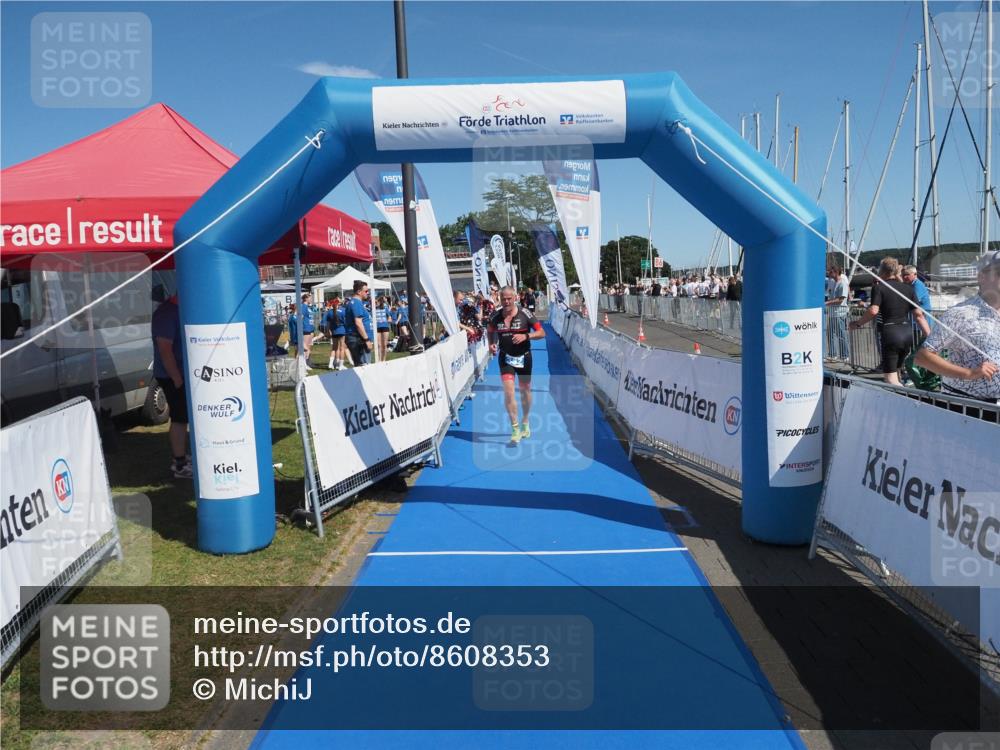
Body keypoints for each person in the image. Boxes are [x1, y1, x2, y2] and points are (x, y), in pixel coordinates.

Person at [915, 250, 1000, 402]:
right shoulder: (960, 314)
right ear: (981, 277)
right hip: (969, 408)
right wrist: (969, 373)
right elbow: (923, 357)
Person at [849, 257, 930, 385]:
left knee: (890, 379)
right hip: (907, 333)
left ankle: (902, 400)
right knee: (897, 373)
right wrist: (929, 335)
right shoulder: (908, 289)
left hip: (891, 333)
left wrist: (857, 323)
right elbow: (919, 315)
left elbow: (873, 310)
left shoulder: (879, 288)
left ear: (882, 271)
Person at [488, 286, 546, 444]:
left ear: (515, 298)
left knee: (525, 392)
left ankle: (525, 421)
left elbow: (542, 333)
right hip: (506, 358)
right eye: (503, 298)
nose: (506, 301)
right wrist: (491, 343)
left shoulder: (525, 313)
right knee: (508, 393)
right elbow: (490, 330)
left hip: (524, 358)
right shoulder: (495, 316)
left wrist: (526, 336)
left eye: (509, 298)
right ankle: (515, 428)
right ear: (499, 298)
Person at [151, 293, 191, 479]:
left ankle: (183, 458)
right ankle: (179, 464)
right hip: (173, 375)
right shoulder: (166, 314)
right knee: (180, 418)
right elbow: (165, 350)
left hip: (184, 373)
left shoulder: (180, 309)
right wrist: (177, 379)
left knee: (184, 417)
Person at [343, 280, 374, 366]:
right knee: (364, 367)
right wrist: (366, 340)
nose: (367, 293)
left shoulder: (355, 302)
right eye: (366, 291)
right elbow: (358, 323)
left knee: (361, 366)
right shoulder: (356, 303)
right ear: (359, 292)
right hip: (358, 339)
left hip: (357, 338)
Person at [825, 264, 850, 360]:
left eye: (830, 272)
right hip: (832, 312)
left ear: (835, 272)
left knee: (841, 334)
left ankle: (844, 355)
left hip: (839, 312)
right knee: (830, 333)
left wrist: (827, 302)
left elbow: (841, 299)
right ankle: (832, 354)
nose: (828, 273)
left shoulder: (842, 283)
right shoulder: (833, 282)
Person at [300, 292, 315, 363]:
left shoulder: (308, 307)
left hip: (310, 329)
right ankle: (304, 363)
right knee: (305, 347)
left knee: (308, 346)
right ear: (306, 299)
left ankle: (307, 362)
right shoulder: (303, 306)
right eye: (310, 298)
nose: (311, 299)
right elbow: (301, 318)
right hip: (306, 329)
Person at [375, 295, 391, 361]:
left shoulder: (385, 307)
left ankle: (383, 360)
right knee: (379, 345)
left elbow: (389, 316)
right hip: (377, 327)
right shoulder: (374, 308)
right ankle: (379, 360)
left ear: (380, 302)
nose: (376, 303)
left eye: (377, 302)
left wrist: (389, 320)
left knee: (384, 344)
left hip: (385, 326)